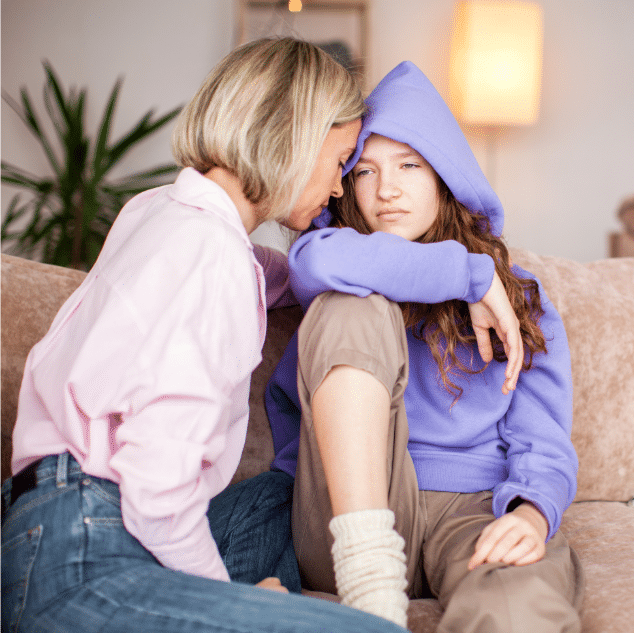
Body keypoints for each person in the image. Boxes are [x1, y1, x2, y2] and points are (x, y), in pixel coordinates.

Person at [1, 38, 404, 633]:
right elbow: (157, 488)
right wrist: (233, 598)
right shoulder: (209, 258)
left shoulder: (160, 211)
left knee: (279, 504)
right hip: (84, 553)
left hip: (52, 523)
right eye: (341, 160)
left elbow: (262, 274)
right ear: (292, 137)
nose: (341, 188)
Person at [266, 61, 584, 632]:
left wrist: (533, 515)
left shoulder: (519, 300)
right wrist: (469, 275)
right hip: (348, 509)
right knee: (352, 302)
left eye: (409, 165)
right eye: (363, 171)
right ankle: (371, 587)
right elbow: (317, 259)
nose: (386, 189)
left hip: (469, 509)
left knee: (518, 600)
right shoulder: (333, 262)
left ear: (446, 176)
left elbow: (543, 441)